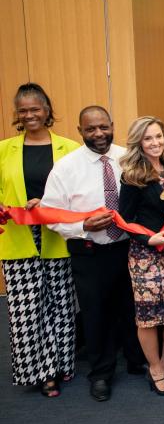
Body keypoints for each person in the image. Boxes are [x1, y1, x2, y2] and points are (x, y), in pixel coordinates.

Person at [42, 106, 144, 402]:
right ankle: (101, 373)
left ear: (112, 125)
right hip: (89, 251)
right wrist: (81, 225)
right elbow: (49, 215)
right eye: (90, 129)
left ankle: (137, 360)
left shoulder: (127, 158)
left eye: (103, 127)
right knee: (96, 314)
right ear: (80, 131)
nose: (98, 134)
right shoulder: (66, 167)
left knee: (132, 308)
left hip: (128, 248)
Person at [0, 84, 79, 397]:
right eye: (24, 110)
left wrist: (49, 207)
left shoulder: (70, 149)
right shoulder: (4, 149)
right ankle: (38, 372)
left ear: (48, 110)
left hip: (57, 237)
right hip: (18, 239)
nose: (30, 115)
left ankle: (61, 366)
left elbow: (78, 195)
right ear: (18, 115)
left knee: (60, 305)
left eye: (35, 109)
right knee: (25, 308)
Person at [118, 116, 164, 396]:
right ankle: (155, 368)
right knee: (148, 316)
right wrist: (148, 237)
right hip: (145, 255)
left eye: (159, 136)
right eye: (148, 138)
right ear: (139, 142)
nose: (155, 142)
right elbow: (124, 220)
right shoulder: (132, 175)